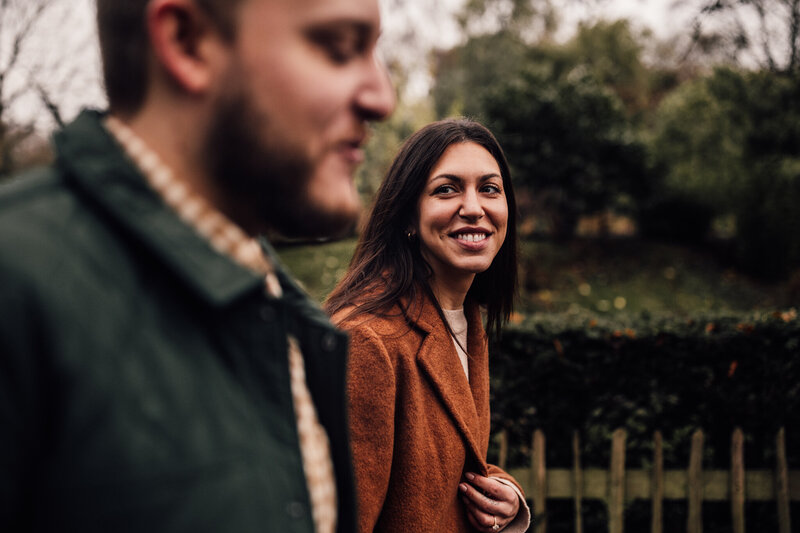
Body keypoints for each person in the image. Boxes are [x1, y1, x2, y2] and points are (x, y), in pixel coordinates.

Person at [0, 0, 394, 531]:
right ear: (187, 42)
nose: (382, 98)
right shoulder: (18, 283)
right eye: (338, 48)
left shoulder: (283, 311)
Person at [325, 118, 531, 532]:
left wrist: (506, 498)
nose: (474, 208)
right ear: (407, 216)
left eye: (489, 188)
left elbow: (436, 468)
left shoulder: (467, 324)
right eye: (446, 189)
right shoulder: (367, 341)